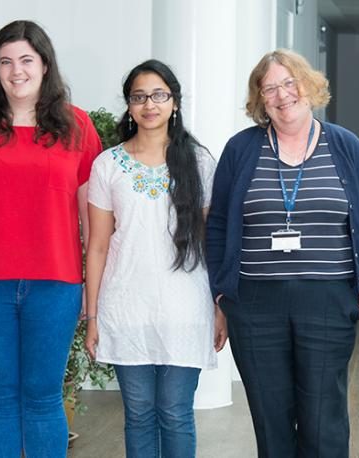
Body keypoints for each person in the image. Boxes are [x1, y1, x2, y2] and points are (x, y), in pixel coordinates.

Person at [205, 48, 359, 457]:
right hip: (254, 305)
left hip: (328, 299)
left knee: (324, 419)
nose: (283, 95)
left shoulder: (345, 145)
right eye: (270, 88)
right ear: (260, 100)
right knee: (271, 420)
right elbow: (217, 225)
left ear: (309, 85)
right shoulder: (241, 149)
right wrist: (221, 293)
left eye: (290, 83)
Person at [0, 20, 102, 457]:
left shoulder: (78, 126)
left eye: (26, 60)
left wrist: (93, 287)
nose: (16, 71)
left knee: (43, 397)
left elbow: (92, 216)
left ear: (45, 65)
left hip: (57, 283)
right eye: (6, 61)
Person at [83, 59, 225, 458]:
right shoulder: (107, 164)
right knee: (140, 413)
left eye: (159, 95)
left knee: (176, 413)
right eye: (139, 96)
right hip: (125, 307)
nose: (149, 104)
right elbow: (97, 245)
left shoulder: (199, 162)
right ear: (129, 106)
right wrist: (92, 317)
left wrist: (219, 306)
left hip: (185, 306)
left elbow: (210, 241)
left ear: (174, 102)